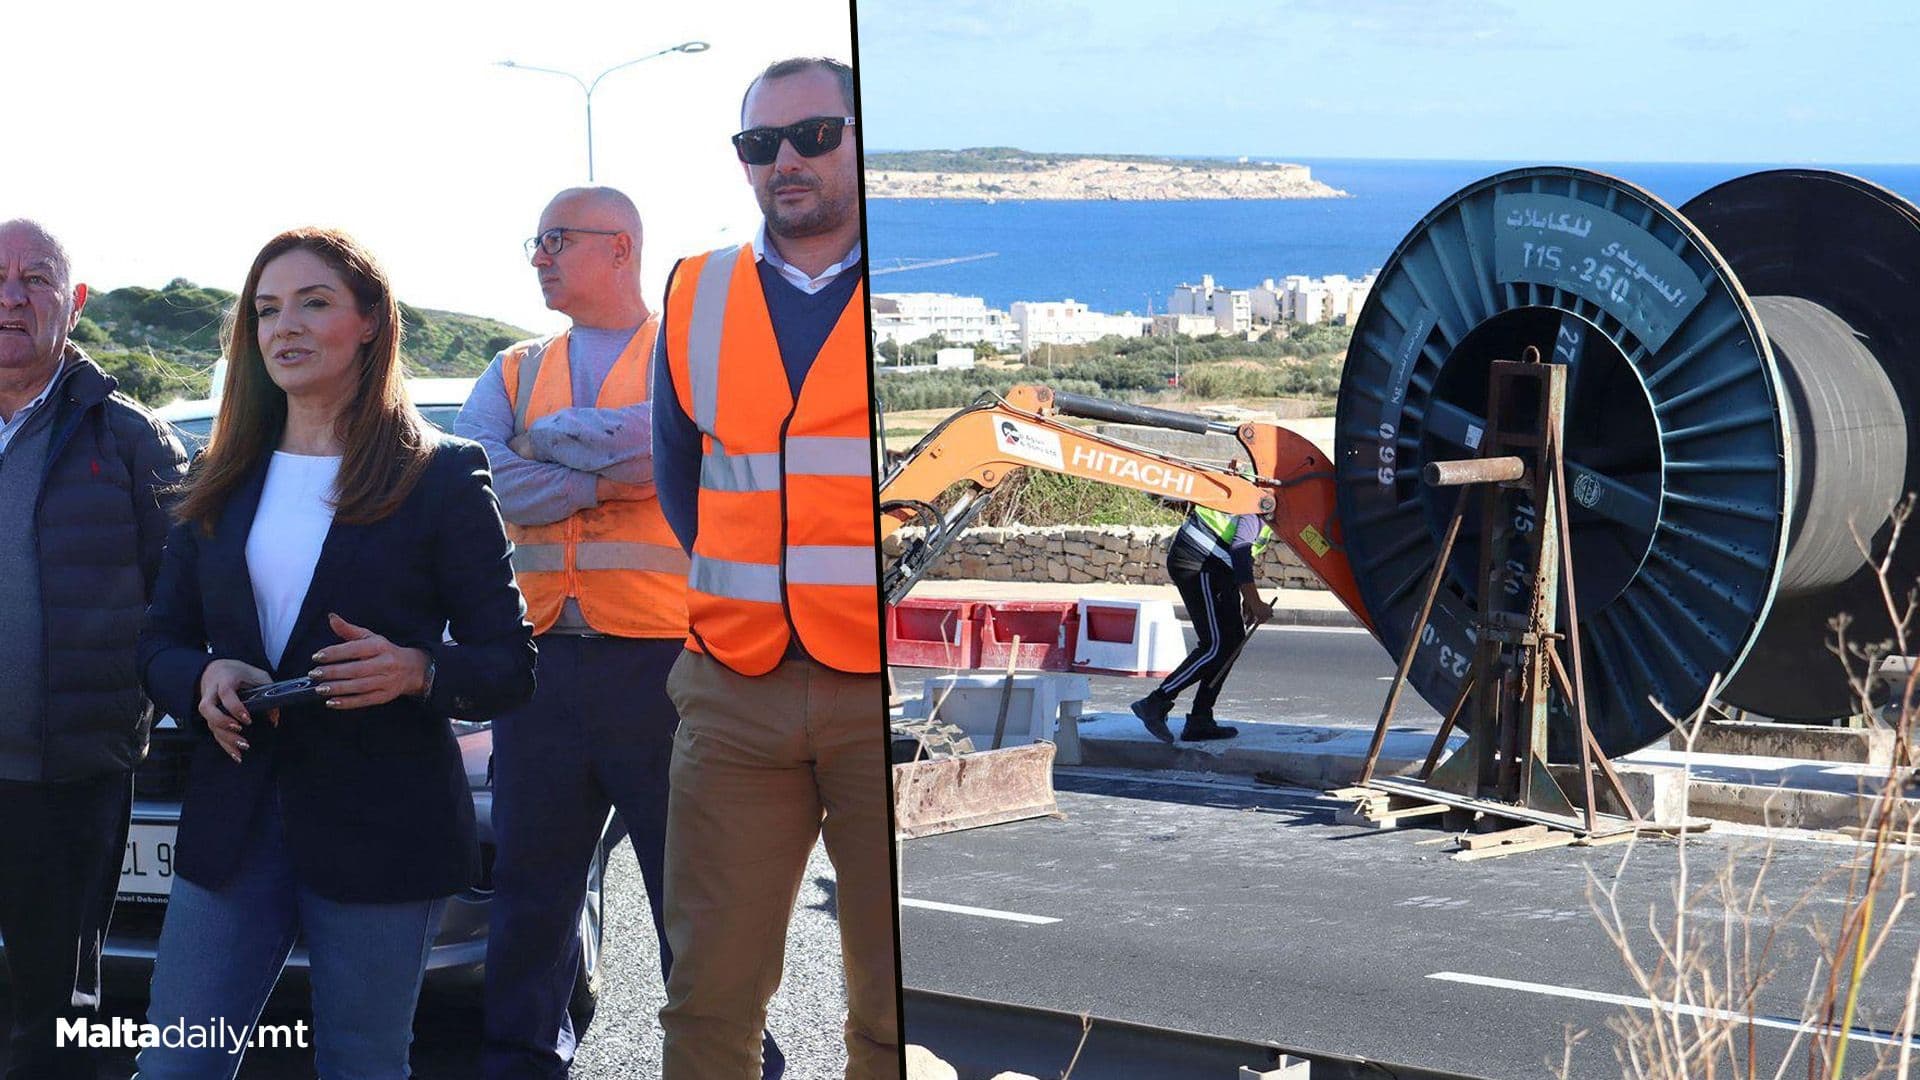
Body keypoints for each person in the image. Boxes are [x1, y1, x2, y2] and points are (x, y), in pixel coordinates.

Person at [134, 227, 535, 1078]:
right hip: (234, 821)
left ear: (367, 323)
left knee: (362, 1064)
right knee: (175, 1065)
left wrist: (418, 669)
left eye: (313, 302)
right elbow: (159, 644)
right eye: (267, 308)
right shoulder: (220, 474)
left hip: (384, 824)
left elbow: (509, 662)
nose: (286, 325)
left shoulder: (443, 475)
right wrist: (201, 675)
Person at [456, 187, 783, 1079]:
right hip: (540, 672)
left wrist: (555, 442)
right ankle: (521, 1060)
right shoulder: (514, 368)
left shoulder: (686, 356)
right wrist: (606, 474)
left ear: (622, 248)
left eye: (557, 240)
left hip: (668, 671)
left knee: (694, 894)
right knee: (533, 893)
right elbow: (485, 475)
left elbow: (695, 456)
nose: (539, 256)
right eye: (537, 240)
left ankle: (735, 1059)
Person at [653, 57, 898, 1080]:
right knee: (708, 1006)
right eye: (761, 144)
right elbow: (683, 482)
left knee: (889, 1007)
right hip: (735, 688)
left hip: (877, 696)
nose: (786, 161)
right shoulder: (696, 286)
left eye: (814, 136)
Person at [0, 219, 187, 1078]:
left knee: (55, 1016)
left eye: (34, 279)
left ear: (72, 304)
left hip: (67, 776)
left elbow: (184, 603)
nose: (10, 296)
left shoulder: (129, 438)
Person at [1131, 492, 1276, 742]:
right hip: (1200, 563)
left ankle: (1200, 719)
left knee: (1231, 643)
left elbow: (1241, 552)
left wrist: (1246, 596)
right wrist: (1254, 601)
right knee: (1216, 644)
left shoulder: (1269, 500)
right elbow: (1240, 549)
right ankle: (1156, 703)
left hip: (1217, 565)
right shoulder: (1262, 498)